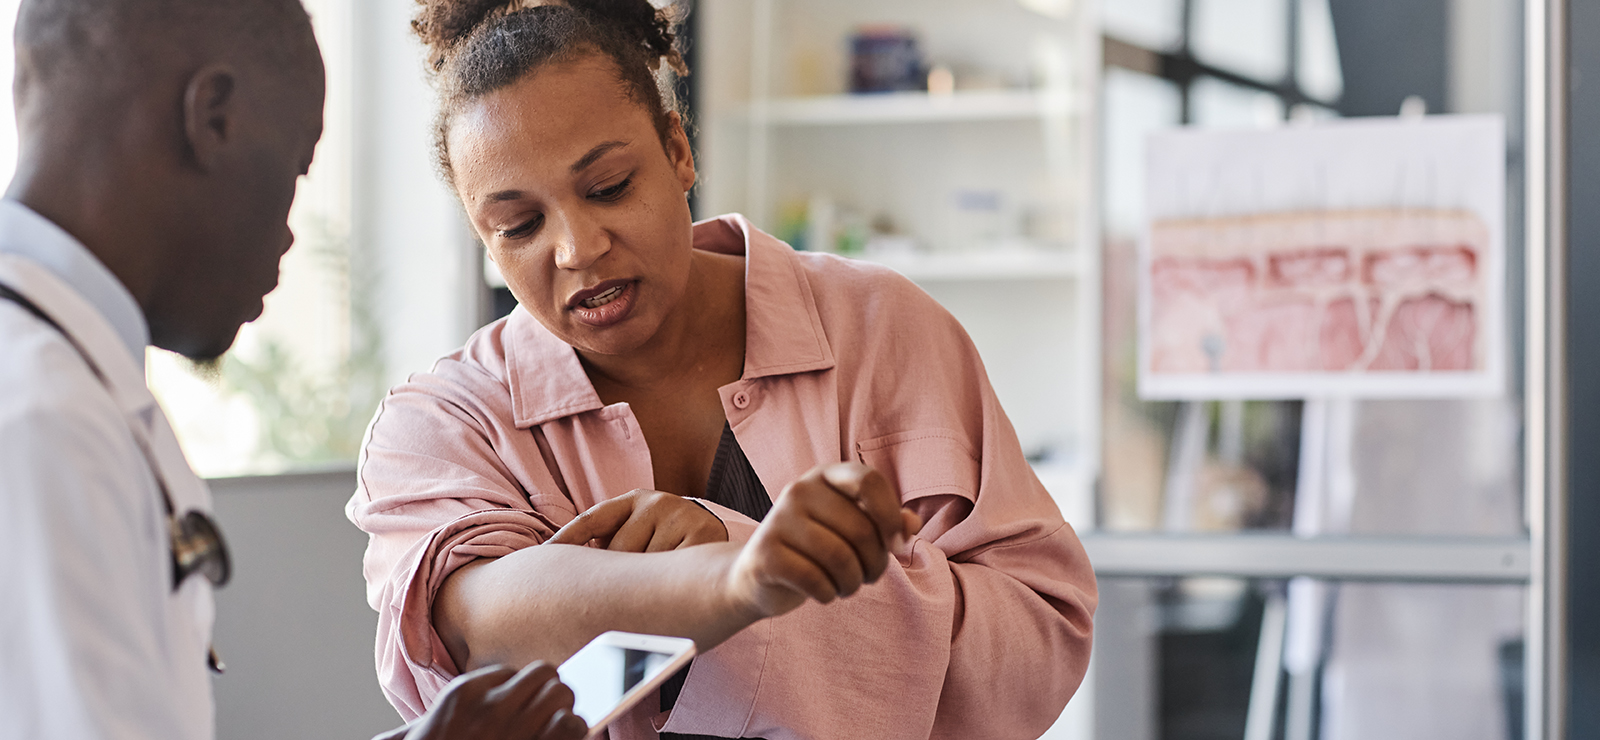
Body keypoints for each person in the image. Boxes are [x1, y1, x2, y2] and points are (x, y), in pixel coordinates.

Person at [345, 0, 1098, 738]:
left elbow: (1041, 628)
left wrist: (751, 567)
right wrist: (740, 579)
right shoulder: (441, 422)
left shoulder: (882, 329)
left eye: (609, 187)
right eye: (519, 226)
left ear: (678, 150)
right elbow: (483, 618)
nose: (576, 248)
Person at [0, 0, 585, 738]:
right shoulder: (40, 422)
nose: (286, 236)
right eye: (294, 170)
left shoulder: (68, 379)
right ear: (212, 118)